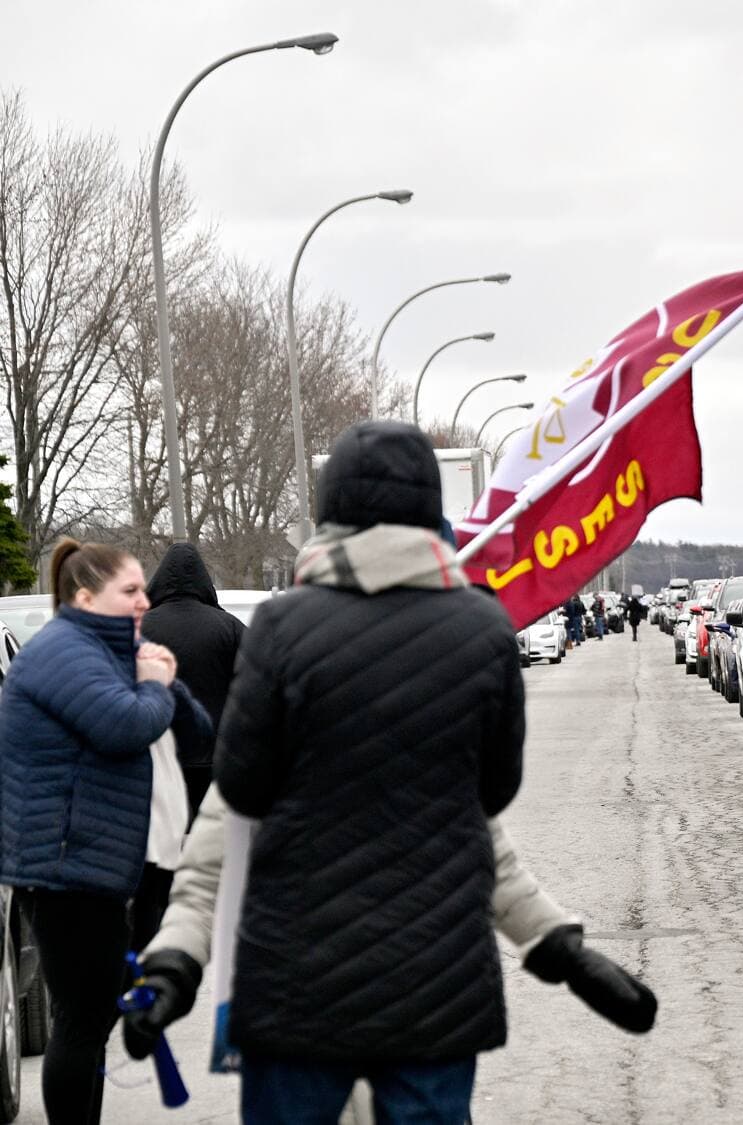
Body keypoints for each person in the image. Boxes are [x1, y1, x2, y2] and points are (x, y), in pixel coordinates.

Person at [213, 420, 526, 1124]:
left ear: (333, 509)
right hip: (438, 964)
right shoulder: (483, 628)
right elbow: (495, 788)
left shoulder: (281, 626)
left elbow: (241, 784)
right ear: (426, 507)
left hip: (299, 963)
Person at [123, 788, 657, 1075]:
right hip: (304, 1038)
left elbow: (492, 865)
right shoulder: (265, 742)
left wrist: (563, 950)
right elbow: (207, 880)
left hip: (416, 1027)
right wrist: (173, 965)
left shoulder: (431, 738)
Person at [0, 538, 210, 1125]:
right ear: (87, 597)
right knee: (80, 1021)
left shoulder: (117, 651)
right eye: (131, 590)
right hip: (68, 865)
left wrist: (163, 679)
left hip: (112, 864)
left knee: (95, 1015)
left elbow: (195, 733)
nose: (146, 600)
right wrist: (153, 686)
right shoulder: (61, 654)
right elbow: (124, 726)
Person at [138, 543, 244, 817]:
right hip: (217, 758)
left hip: (155, 757)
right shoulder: (230, 628)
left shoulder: (139, 628)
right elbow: (254, 688)